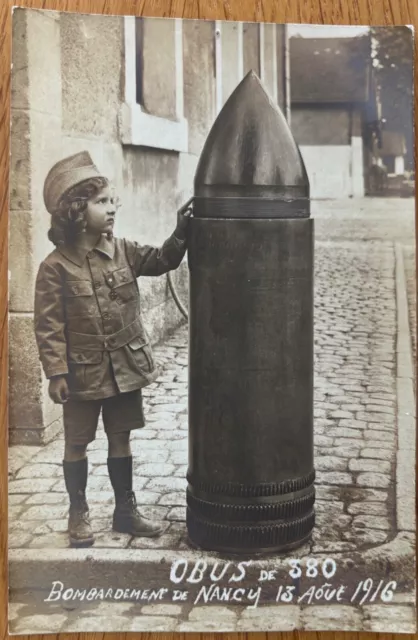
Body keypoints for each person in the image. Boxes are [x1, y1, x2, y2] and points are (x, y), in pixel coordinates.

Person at [34, 150, 192, 547]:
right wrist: (56, 373)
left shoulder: (122, 250)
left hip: (125, 367)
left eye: (111, 200)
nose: (111, 208)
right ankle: (78, 512)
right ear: (74, 210)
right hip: (82, 372)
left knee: (121, 437)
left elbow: (162, 260)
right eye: (101, 202)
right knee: (76, 442)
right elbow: (49, 326)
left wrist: (181, 232)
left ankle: (126, 510)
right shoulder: (55, 267)